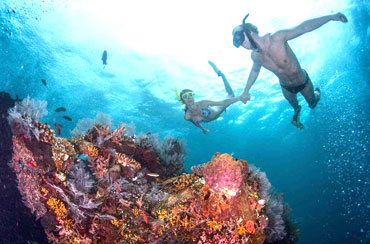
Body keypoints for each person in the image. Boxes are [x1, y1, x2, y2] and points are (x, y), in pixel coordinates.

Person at [233, 12, 348, 129]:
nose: (240, 43)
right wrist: (246, 91)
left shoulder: (277, 38)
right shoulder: (255, 57)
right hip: (286, 89)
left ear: (249, 30)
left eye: (239, 37)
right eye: (236, 41)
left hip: (303, 83)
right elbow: (254, 71)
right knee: (295, 106)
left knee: (312, 104)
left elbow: (304, 27)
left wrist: (331, 17)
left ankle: (316, 94)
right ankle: (297, 111)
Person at [176, 61, 241, 134]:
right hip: (212, 118)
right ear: (183, 101)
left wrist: (240, 98)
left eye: (190, 94)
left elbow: (223, 102)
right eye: (185, 96)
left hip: (218, 110)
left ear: (193, 96)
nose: (189, 97)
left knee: (231, 95)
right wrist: (203, 129)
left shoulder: (203, 103)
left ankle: (221, 74)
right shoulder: (187, 116)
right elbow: (195, 123)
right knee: (230, 96)